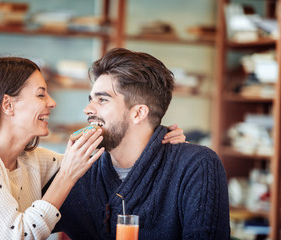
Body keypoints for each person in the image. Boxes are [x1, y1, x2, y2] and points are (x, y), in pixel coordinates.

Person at [0, 57, 185, 239]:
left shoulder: (29, 159)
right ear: (8, 105)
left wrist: (155, 138)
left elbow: (101, 164)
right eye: (40, 94)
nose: (52, 102)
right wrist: (67, 176)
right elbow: (15, 236)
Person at [53, 48, 230, 239]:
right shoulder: (78, 171)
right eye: (90, 100)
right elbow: (22, 227)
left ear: (138, 113)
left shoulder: (197, 166)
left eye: (102, 100)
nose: (87, 109)